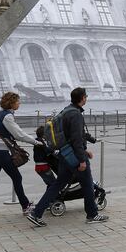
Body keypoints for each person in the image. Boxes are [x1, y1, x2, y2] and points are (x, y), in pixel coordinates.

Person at [28, 87, 108, 226]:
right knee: (88, 184)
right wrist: (82, 159)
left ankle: (36, 213)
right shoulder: (75, 114)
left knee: (57, 185)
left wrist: (87, 145)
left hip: (65, 155)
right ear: (82, 98)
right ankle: (92, 215)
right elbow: (76, 138)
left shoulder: (66, 111)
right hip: (75, 156)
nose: (86, 98)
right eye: (86, 96)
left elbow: (73, 136)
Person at [0, 92, 44, 220]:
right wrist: (36, 142)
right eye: (17, 101)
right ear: (11, 103)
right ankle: (26, 206)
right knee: (17, 177)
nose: (19, 103)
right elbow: (19, 134)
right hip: (2, 151)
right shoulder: (8, 117)